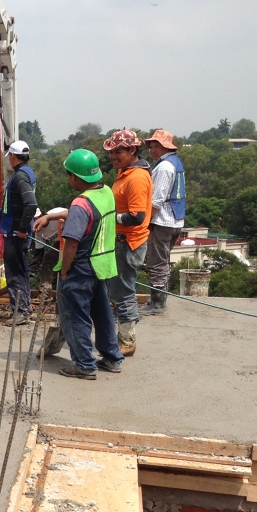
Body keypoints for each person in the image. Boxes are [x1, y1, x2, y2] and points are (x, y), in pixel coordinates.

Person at [33, 149, 124, 379]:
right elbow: (83, 213)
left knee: (75, 316)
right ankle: (112, 358)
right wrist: (51, 216)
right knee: (102, 314)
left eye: (69, 175)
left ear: (75, 177)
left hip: (81, 269)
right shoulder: (105, 193)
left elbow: (72, 241)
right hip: (102, 266)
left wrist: (64, 271)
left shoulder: (81, 202)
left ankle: (84, 365)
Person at [103, 129, 152, 356]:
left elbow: (137, 216)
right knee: (117, 290)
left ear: (132, 150)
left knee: (123, 292)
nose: (113, 156)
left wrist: (108, 216)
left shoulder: (137, 178)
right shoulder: (125, 172)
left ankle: (127, 340)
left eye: (118, 151)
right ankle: (121, 336)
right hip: (120, 240)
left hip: (129, 242)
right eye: (111, 152)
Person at [0, 140, 38, 323]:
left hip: (16, 234)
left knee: (14, 273)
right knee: (22, 270)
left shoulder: (19, 177)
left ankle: (21, 312)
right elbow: (14, 206)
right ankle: (25, 307)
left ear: (13, 156)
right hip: (17, 231)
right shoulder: (26, 173)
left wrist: (22, 229)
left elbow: (31, 204)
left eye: (10, 157)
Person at [140, 129, 185, 316]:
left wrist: (145, 222)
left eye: (156, 145)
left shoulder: (165, 167)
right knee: (164, 262)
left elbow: (156, 200)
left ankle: (157, 304)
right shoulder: (175, 162)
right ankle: (159, 299)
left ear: (165, 146)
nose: (152, 149)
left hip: (163, 221)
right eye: (151, 145)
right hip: (175, 219)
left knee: (157, 263)